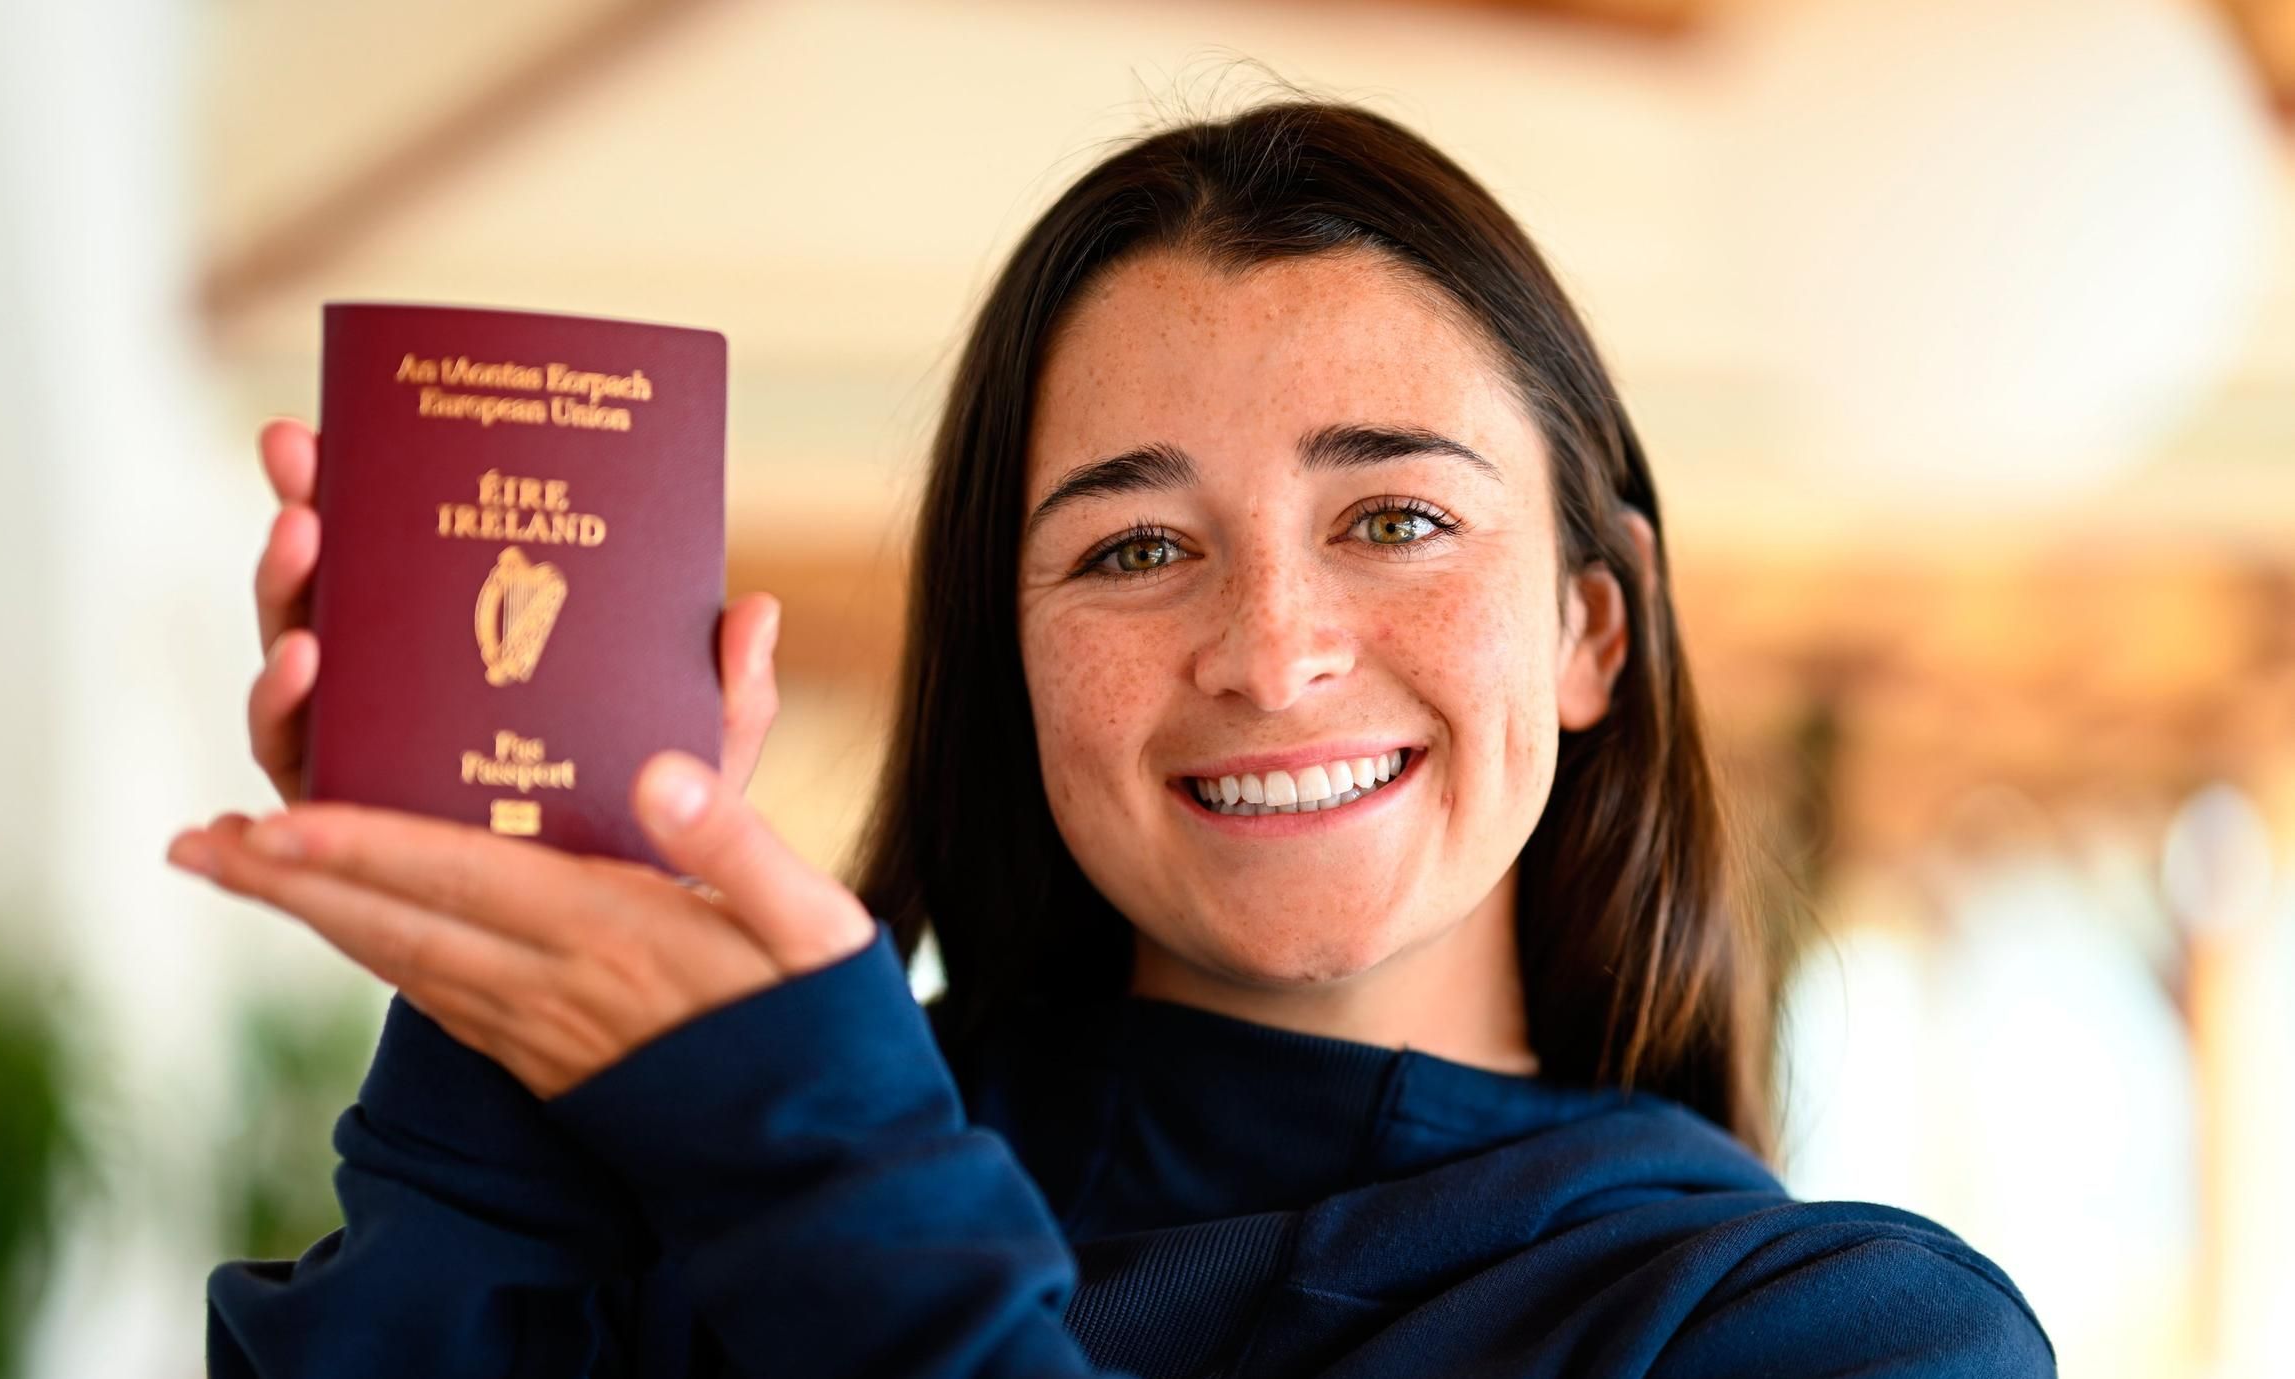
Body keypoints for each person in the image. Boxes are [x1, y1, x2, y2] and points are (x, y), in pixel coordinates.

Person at [168, 99, 2058, 1377]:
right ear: (1010, 655)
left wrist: (824, 1182)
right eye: (1135, 547)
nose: (1270, 648)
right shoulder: (704, 1172)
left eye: (1393, 517)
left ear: (1590, 623)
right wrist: (520, 962)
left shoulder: (1835, 1332)